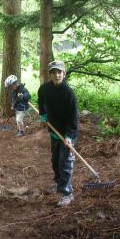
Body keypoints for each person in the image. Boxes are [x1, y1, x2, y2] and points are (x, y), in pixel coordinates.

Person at [38, 61, 78, 207]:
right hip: (54, 131)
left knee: (65, 162)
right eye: (54, 72)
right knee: (55, 160)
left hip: (67, 133)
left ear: (64, 74)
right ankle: (58, 183)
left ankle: (67, 193)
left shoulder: (68, 93)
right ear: (50, 74)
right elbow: (41, 102)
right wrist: (43, 116)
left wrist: (69, 136)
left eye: (59, 72)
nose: (57, 75)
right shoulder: (44, 89)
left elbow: (74, 118)